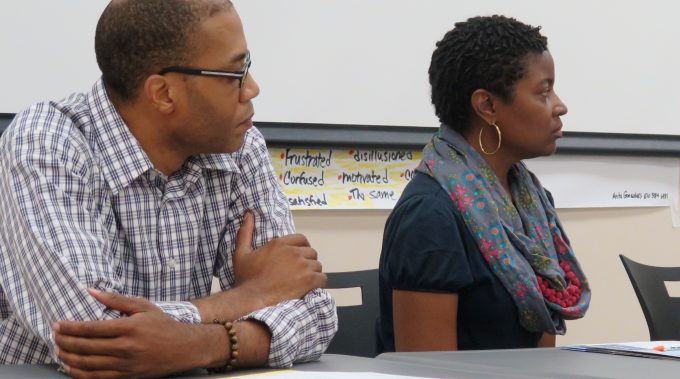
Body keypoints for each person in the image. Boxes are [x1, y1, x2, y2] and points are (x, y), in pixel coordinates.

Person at [0, 0, 337, 376]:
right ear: (163, 93)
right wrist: (251, 296)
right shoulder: (48, 141)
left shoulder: (240, 146)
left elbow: (315, 314)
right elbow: (99, 335)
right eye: (234, 74)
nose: (252, 89)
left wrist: (205, 345)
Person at [376, 15, 591, 353]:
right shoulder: (430, 217)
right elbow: (428, 373)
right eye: (544, 91)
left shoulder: (532, 202)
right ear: (488, 105)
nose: (560, 106)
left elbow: (541, 352)